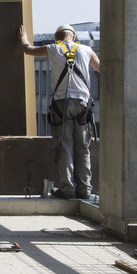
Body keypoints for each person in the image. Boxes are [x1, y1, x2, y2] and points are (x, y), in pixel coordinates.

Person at [18, 24, 101, 200]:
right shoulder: (86, 49)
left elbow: (28, 50)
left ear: (57, 38)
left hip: (61, 103)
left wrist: (23, 38)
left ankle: (68, 188)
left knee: (65, 146)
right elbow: (101, 68)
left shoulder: (53, 48)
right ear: (73, 37)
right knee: (82, 148)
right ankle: (85, 189)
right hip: (82, 103)